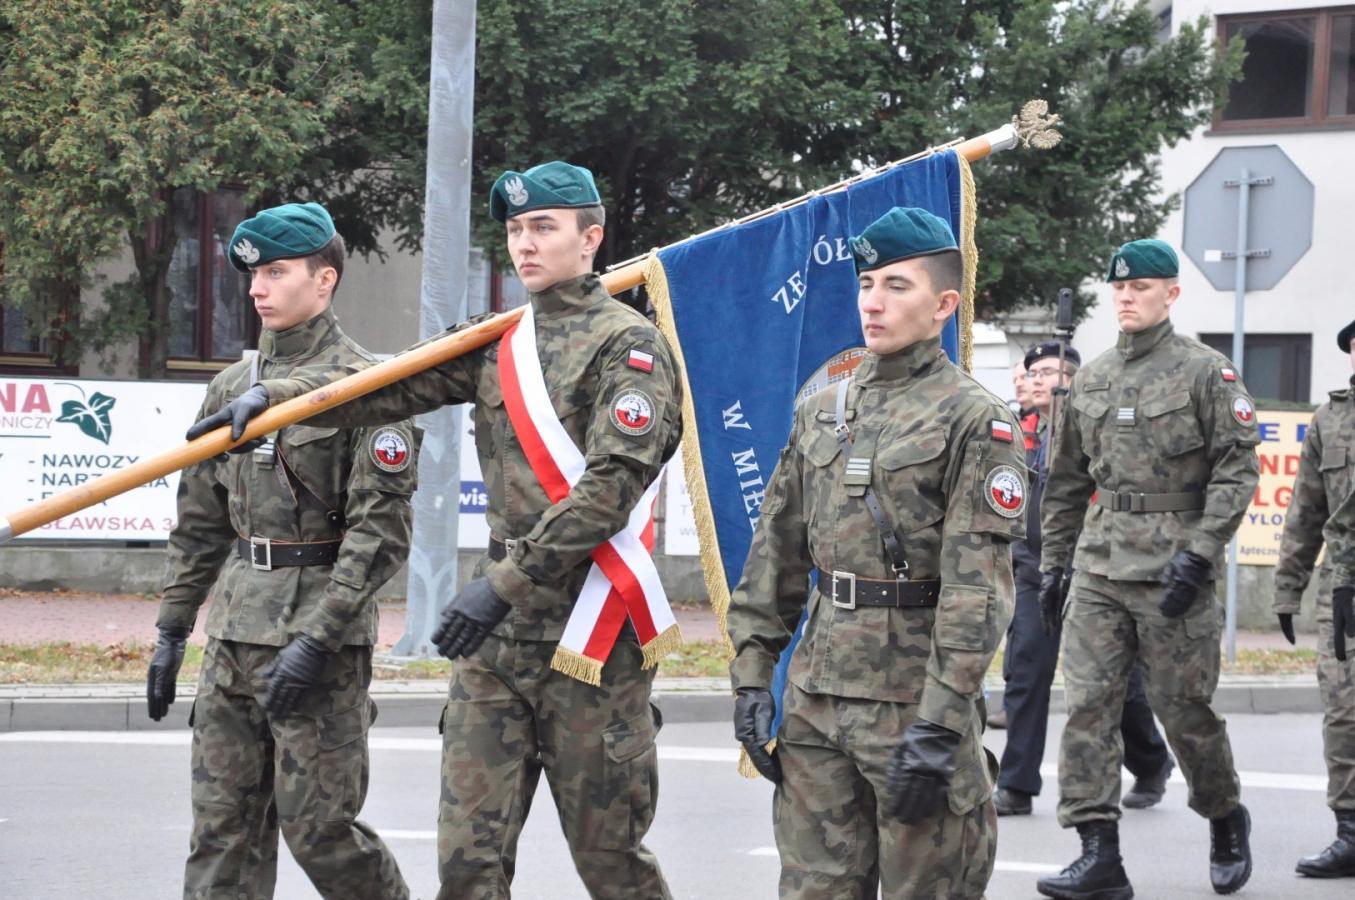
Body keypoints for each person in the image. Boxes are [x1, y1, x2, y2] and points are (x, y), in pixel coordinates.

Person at [187, 162, 683, 900]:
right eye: (514, 231)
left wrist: (500, 588)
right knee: (468, 863)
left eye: (542, 227)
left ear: (591, 238)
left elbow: (609, 488)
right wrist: (277, 395)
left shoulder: (628, 348)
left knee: (610, 862)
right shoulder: (497, 341)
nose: (524, 245)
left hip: (590, 634)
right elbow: (385, 386)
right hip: (494, 648)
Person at [726, 206, 1026, 898]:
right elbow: (775, 551)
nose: (873, 301)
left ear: (943, 305)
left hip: (909, 704)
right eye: (867, 283)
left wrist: (941, 719)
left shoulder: (974, 420)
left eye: (897, 285)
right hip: (814, 701)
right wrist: (751, 675)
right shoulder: (821, 409)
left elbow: (976, 591)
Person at [147, 202, 417, 899]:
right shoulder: (232, 389)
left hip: (316, 641)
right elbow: (201, 519)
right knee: (222, 830)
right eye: (253, 274)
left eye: (277, 271)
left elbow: (378, 535)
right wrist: (173, 628)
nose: (258, 287)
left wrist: (320, 637)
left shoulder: (371, 387)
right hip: (236, 632)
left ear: (324, 280)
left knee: (321, 832)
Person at [1035, 239, 1259, 899]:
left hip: (1172, 568)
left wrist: (1201, 550)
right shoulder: (1093, 377)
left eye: (1141, 288)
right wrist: (1053, 565)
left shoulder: (1204, 373)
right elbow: (1068, 482)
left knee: (1180, 710)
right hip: (1100, 565)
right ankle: (1097, 851)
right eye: (1119, 289)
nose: (1126, 297)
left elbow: (1236, 467)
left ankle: (1223, 814)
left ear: (1170, 294)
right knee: (1085, 708)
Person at [993, 340, 1174, 817]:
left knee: (1118, 685)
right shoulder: (1014, 434)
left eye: (1050, 372)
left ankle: (1152, 761)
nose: (1037, 379)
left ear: (1072, 381)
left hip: (1093, 570)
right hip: (1034, 568)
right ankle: (1016, 785)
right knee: (1026, 672)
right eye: (1033, 372)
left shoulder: (1096, 428)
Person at [1273, 316, 1355, 879]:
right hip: (1344, 590)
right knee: (1345, 713)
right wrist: (1287, 587)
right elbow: (1306, 511)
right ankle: (1350, 831)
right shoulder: (1331, 419)